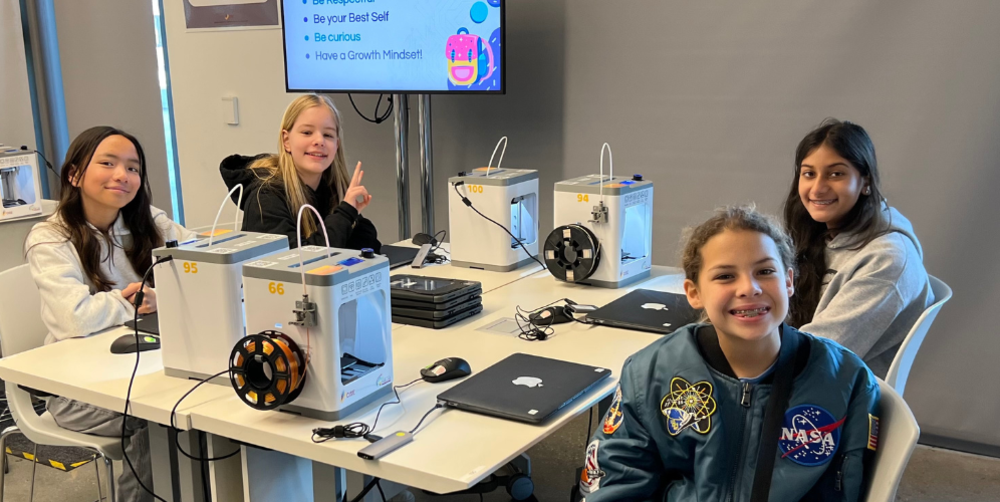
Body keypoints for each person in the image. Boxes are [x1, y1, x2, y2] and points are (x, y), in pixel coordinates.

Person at [576, 206, 879, 501]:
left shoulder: (846, 381)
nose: (749, 288)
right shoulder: (649, 374)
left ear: (788, 281)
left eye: (765, 271)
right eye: (725, 276)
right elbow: (617, 479)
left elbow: (845, 488)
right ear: (694, 292)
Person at [25, 126, 196, 502]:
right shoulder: (50, 237)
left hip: (144, 366)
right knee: (157, 416)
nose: (123, 175)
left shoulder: (150, 221)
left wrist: (160, 295)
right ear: (74, 174)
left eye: (133, 168)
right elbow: (74, 317)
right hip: (75, 390)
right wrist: (128, 301)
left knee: (204, 402)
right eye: (108, 163)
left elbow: (203, 266)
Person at [783, 119, 934, 378]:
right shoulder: (822, 235)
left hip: (834, 399)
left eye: (836, 173)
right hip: (797, 374)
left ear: (865, 181)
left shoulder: (888, 260)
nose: (818, 188)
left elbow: (819, 355)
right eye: (809, 173)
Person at [220, 93, 381, 251]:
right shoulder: (265, 197)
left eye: (328, 135)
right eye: (307, 132)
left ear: (336, 145)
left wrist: (352, 217)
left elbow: (368, 246)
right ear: (286, 140)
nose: (319, 141)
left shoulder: (330, 189)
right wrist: (346, 214)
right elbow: (303, 265)